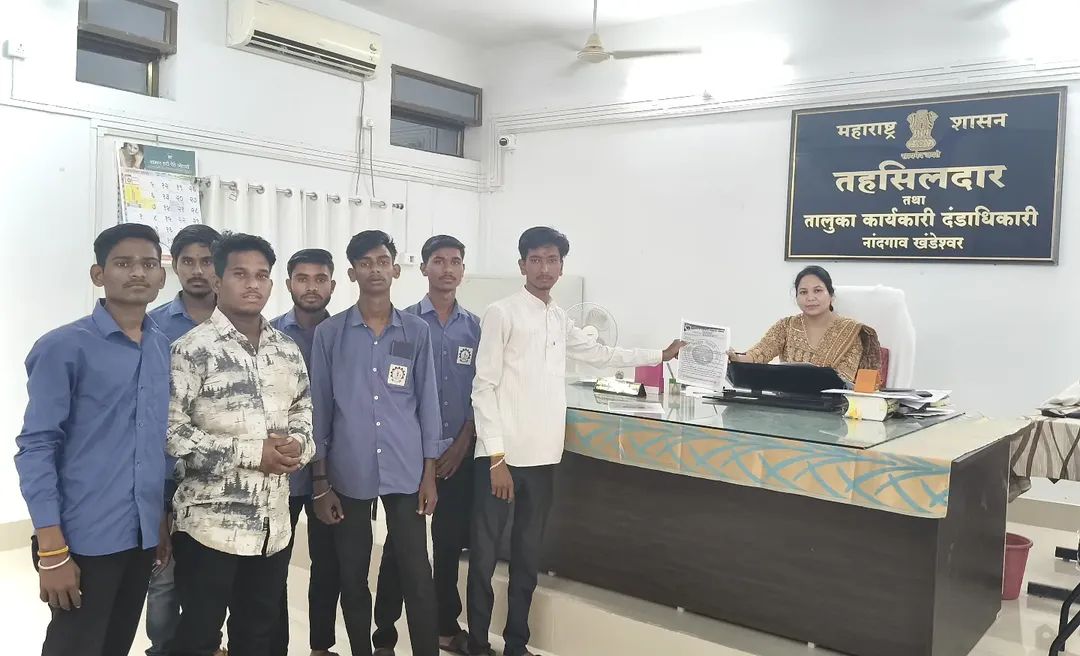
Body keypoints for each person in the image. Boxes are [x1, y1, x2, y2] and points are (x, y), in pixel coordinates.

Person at [468, 226, 685, 656]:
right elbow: (483, 387)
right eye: (535, 260)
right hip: (500, 460)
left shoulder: (558, 318)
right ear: (522, 265)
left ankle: (516, 644)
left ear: (562, 267)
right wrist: (495, 457)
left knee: (527, 558)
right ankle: (477, 644)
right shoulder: (501, 312)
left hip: (543, 458)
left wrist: (658, 355)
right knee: (485, 557)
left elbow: (600, 354)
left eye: (552, 260)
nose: (544, 268)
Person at [14, 223, 170, 656]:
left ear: (161, 277)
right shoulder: (64, 346)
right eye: (123, 263)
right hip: (82, 537)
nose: (137, 272)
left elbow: (154, 443)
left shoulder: (161, 347)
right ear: (98, 274)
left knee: (116, 643)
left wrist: (157, 519)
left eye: (148, 264)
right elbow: (37, 447)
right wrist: (51, 549)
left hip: (139, 536)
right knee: (75, 646)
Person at [166, 232, 315, 656]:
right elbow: (171, 432)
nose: (253, 284)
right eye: (240, 274)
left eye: (262, 275)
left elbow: (304, 410)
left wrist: (299, 446)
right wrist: (253, 454)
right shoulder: (190, 350)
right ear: (217, 281)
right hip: (209, 528)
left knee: (257, 636)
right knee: (198, 636)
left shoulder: (287, 350)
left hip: (273, 527)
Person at [309, 230, 447, 656]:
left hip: (407, 471)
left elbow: (428, 404)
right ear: (352, 273)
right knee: (352, 577)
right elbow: (320, 410)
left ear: (396, 269)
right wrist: (321, 482)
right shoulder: (331, 334)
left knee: (417, 574)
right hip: (349, 473)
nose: (375, 270)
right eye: (365, 263)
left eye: (382, 261)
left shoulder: (416, 331)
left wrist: (429, 474)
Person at [372, 235, 481, 656]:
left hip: (459, 455)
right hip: (412, 457)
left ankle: (444, 625)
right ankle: (384, 633)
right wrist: (426, 457)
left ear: (463, 270)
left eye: (455, 261)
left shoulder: (475, 328)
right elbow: (395, 393)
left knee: (449, 544)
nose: (447, 269)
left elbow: (480, 391)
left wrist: (462, 443)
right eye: (438, 261)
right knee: (402, 547)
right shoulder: (403, 325)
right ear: (423, 268)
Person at [145, 223, 221, 656]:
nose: (198, 271)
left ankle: (203, 645)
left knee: (209, 576)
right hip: (164, 471)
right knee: (163, 572)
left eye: (207, 261)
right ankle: (162, 648)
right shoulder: (155, 327)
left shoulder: (236, 323)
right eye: (188, 261)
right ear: (174, 266)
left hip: (216, 472)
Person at [269, 249, 342, 656]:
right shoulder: (270, 335)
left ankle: (320, 647)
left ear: (333, 284)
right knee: (273, 567)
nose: (311, 287)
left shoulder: (346, 334)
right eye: (302, 278)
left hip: (331, 474)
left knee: (327, 565)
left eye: (320, 279)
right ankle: (274, 647)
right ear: (289, 284)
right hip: (281, 471)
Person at [727, 265, 881, 383]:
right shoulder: (786, 326)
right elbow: (758, 354)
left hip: (834, 407)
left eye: (817, 291)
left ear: (831, 296)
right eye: (803, 292)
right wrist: (736, 358)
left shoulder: (851, 331)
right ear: (796, 298)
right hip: (788, 403)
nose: (810, 298)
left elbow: (844, 380)